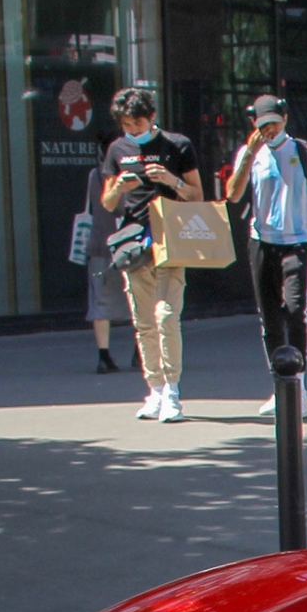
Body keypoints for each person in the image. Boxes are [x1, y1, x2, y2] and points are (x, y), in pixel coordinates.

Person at [100, 87, 200, 422]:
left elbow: (197, 195)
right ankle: (154, 389)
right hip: (134, 243)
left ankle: (172, 391)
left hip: (170, 239)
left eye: (138, 123)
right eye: (126, 125)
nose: (132, 130)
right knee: (144, 322)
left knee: (167, 316)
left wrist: (171, 180)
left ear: (152, 117)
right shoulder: (117, 149)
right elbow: (107, 202)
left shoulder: (177, 145)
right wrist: (118, 187)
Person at [233, 94, 307, 417]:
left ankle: (298, 383)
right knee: (269, 316)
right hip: (262, 241)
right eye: (262, 125)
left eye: (273, 123)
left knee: (295, 309)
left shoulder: (305, 152)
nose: (269, 130)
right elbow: (232, 193)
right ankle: (279, 383)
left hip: (298, 240)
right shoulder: (252, 155)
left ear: (285, 118)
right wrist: (248, 153)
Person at [80, 161, 128, 374]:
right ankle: (140, 352)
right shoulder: (130, 174)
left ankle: (104, 354)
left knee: (100, 299)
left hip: (100, 242)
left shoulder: (95, 175)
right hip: (129, 244)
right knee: (141, 297)